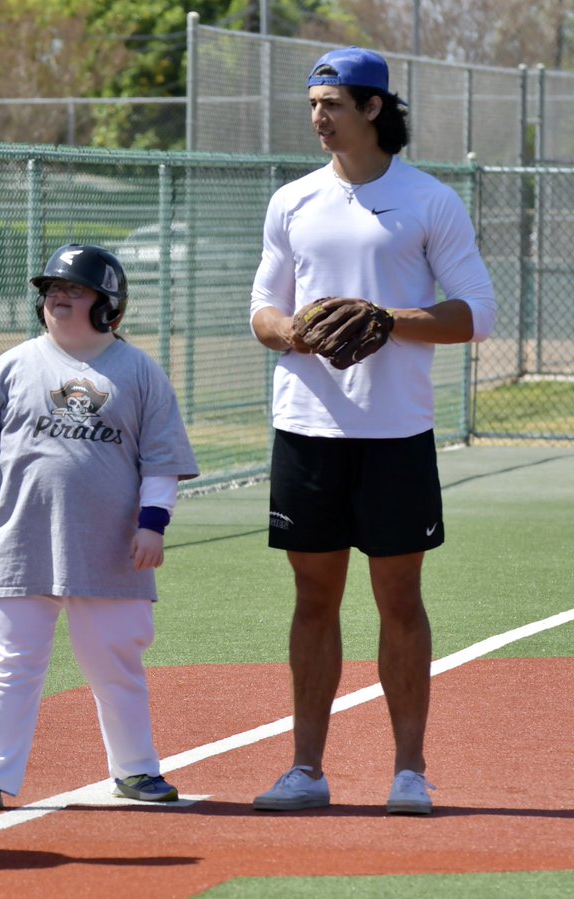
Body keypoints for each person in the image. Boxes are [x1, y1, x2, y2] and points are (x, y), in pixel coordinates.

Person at [248, 47, 496, 815]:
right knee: (312, 599)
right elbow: (262, 309)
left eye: (332, 104)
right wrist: (291, 331)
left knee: (400, 599)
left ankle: (409, 771)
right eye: (313, 103)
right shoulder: (293, 201)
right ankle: (306, 770)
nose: (318, 117)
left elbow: (475, 312)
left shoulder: (429, 201)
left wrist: (389, 320)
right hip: (308, 429)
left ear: (374, 108)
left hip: (396, 434)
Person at [0, 244, 199, 813]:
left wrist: (153, 526)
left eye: (74, 290)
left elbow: (160, 462)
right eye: (51, 289)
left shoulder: (138, 371)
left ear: (108, 304)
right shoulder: (11, 366)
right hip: (19, 538)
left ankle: (135, 770)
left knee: (116, 661)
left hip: (108, 545)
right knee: (10, 662)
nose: (57, 296)